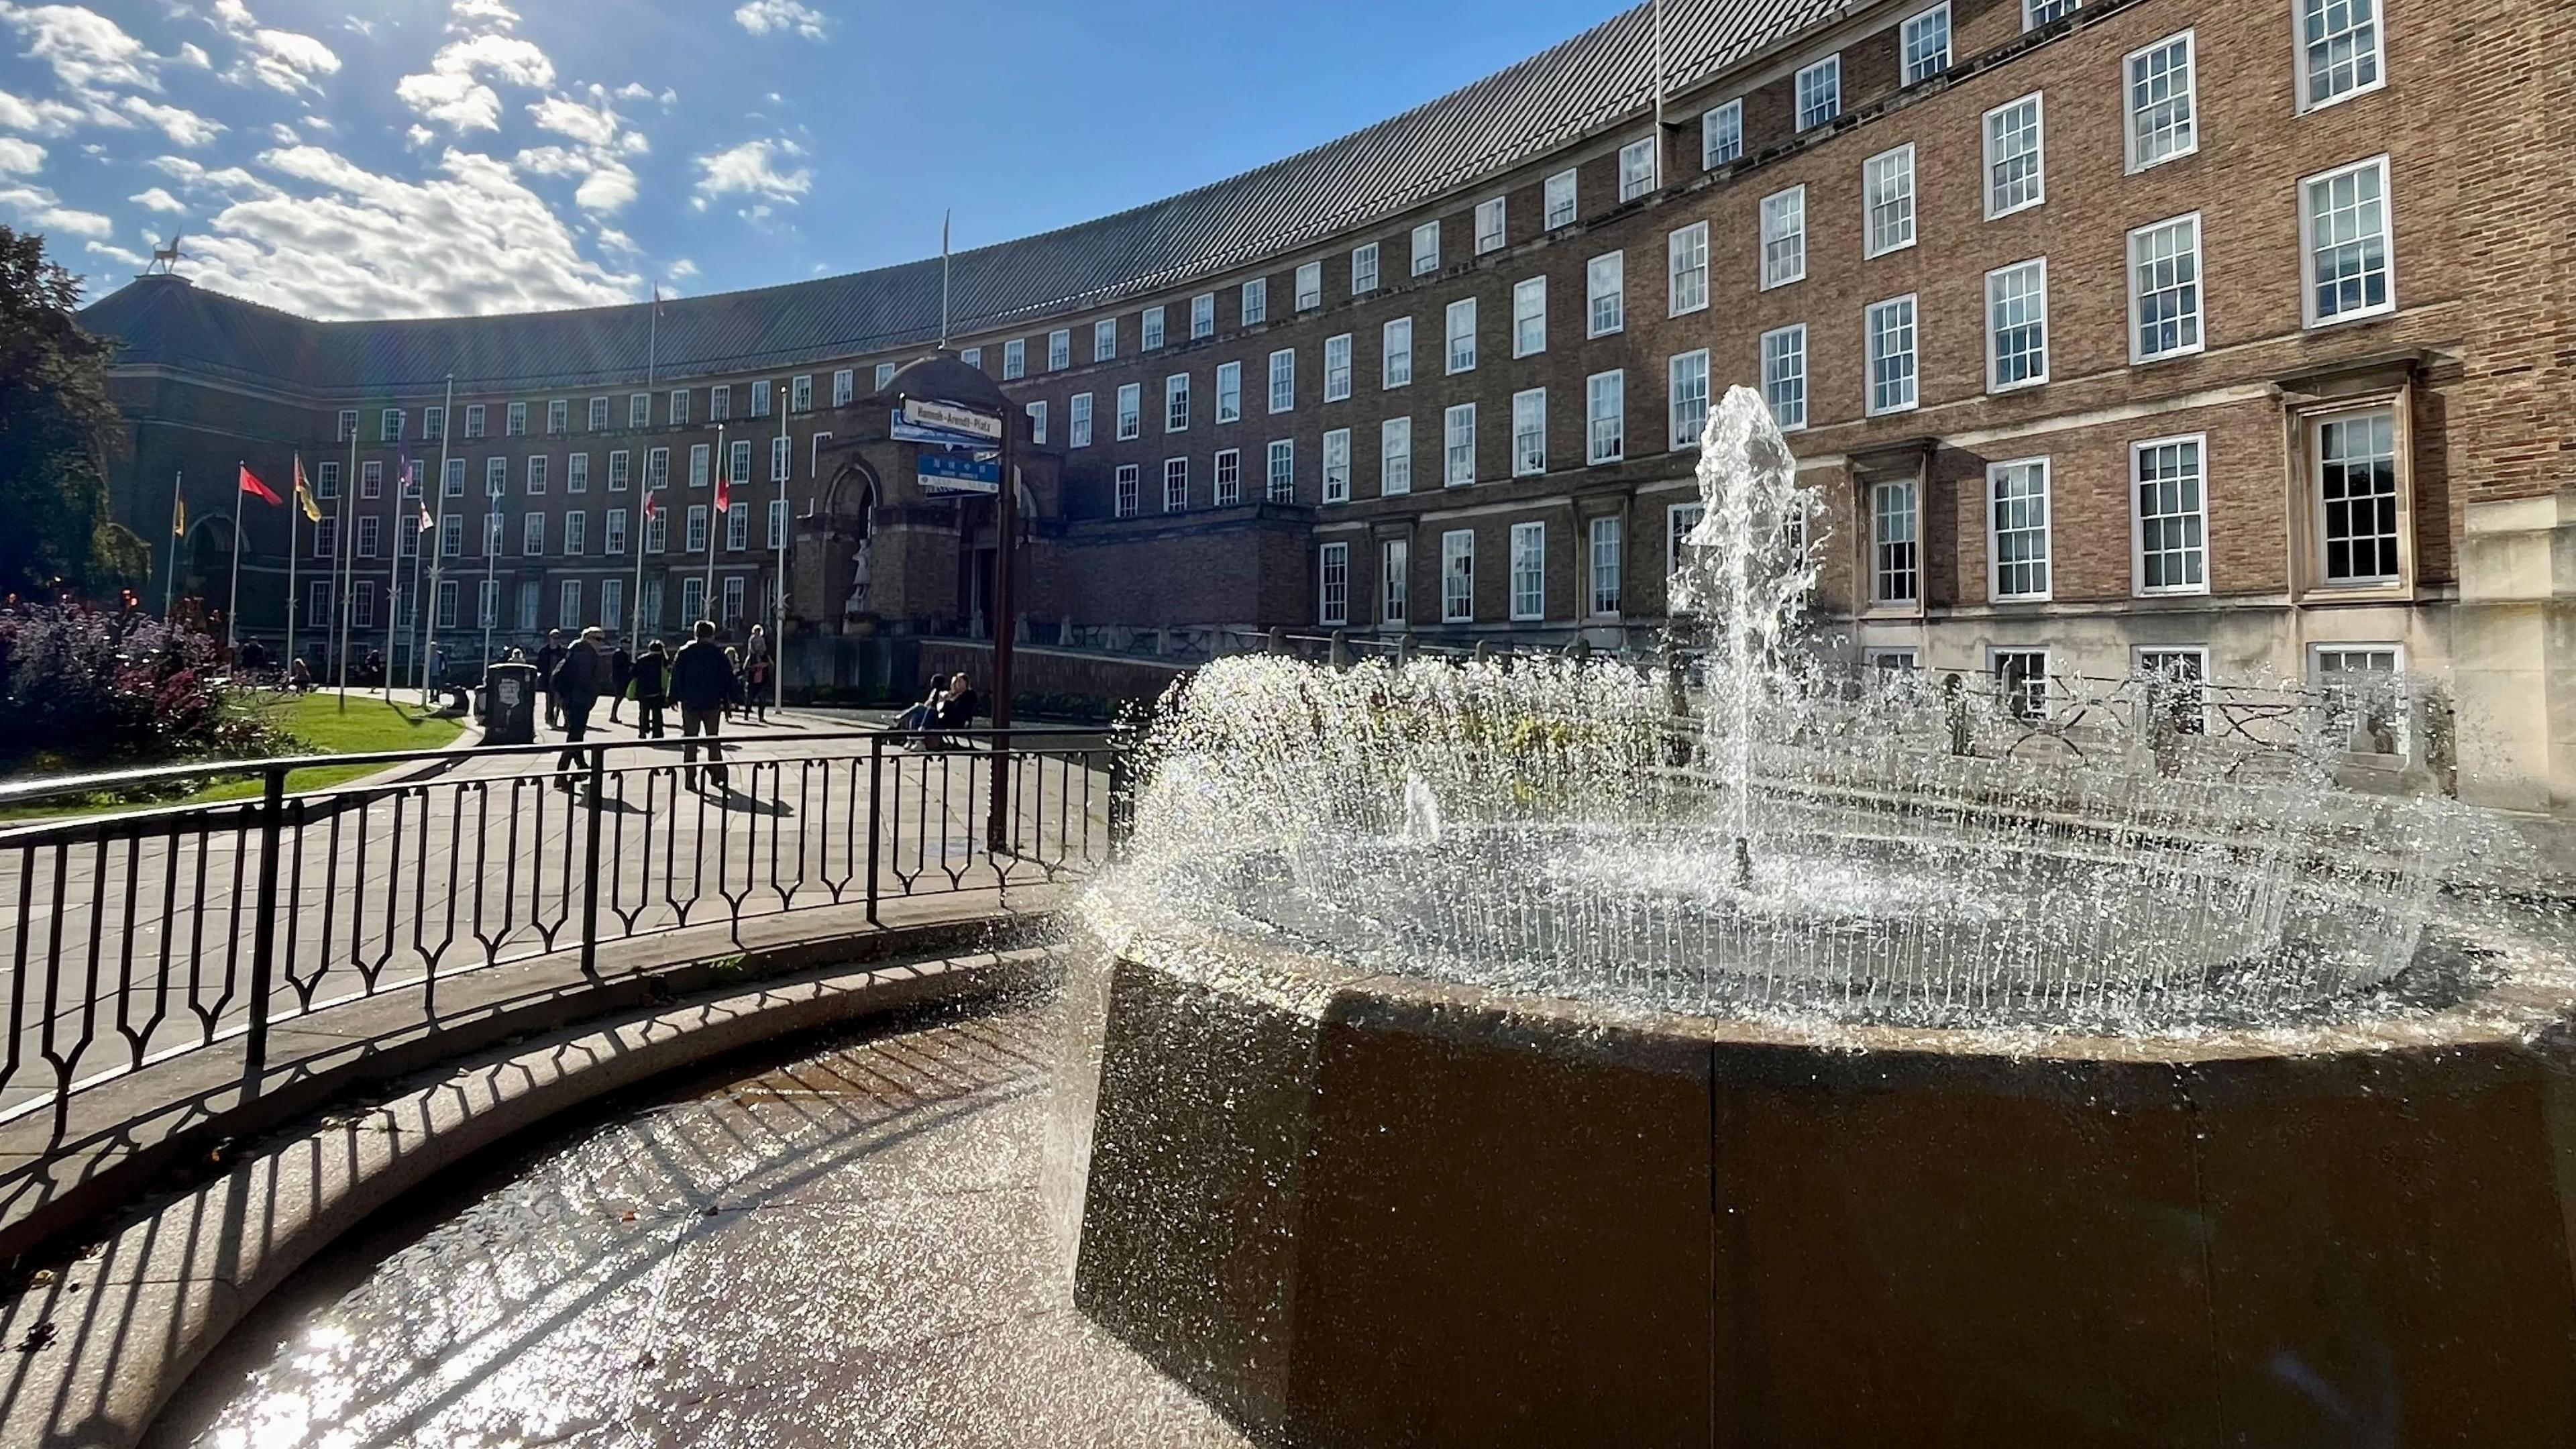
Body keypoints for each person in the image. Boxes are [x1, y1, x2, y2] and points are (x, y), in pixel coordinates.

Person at [672, 620, 740, 792]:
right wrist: (733, 698)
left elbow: (676, 676)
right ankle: (716, 775)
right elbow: (727, 679)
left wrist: (672, 697)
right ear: (712, 635)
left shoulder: (684, 653)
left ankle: (690, 779)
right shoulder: (717, 654)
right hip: (712, 703)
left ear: (696, 634)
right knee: (713, 740)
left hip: (690, 703)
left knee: (690, 741)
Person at [550, 626, 612, 788]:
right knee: (574, 738)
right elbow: (586, 680)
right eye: (598, 639)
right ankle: (561, 774)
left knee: (576, 735)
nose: (600, 644)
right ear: (588, 639)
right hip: (579, 701)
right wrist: (591, 694)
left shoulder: (575, 652)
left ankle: (582, 767)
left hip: (571, 700)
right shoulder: (585, 654)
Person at [631, 639, 669, 740]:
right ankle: (657, 734)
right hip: (658, 691)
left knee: (644, 712)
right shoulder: (663, 661)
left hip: (643, 691)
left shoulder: (642, 659)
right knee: (657, 713)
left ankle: (643, 731)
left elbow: (633, 673)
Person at [534, 630, 566, 727]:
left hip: (560, 680)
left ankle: (557, 718)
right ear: (550, 638)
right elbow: (539, 664)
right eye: (554, 638)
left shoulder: (563, 652)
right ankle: (550, 718)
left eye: (558, 638)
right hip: (548, 679)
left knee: (560, 701)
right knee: (550, 701)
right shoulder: (544, 651)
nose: (556, 640)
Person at [744, 625, 772, 723]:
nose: (758, 645)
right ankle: (746, 714)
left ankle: (761, 716)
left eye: (760, 643)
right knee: (750, 698)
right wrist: (755, 667)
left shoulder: (765, 656)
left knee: (762, 699)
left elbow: (770, 664)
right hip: (753, 680)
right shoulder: (751, 658)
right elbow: (746, 668)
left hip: (763, 679)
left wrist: (765, 665)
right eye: (756, 643)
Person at [607, 637, 633, 724]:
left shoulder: (622, 653)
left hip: (620, 678)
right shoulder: (619, 653)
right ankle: (613, 715)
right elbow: (623, 666)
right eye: (627, 643)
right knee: (619, 696)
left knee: (619, 697)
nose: (628, 645)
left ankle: (613, 715)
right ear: (622, 643)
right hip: (620, 678)